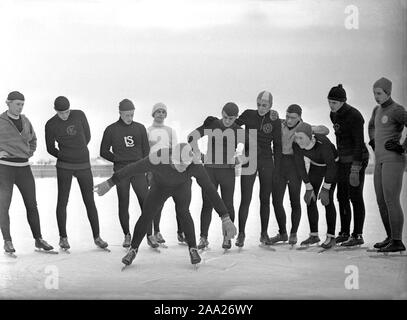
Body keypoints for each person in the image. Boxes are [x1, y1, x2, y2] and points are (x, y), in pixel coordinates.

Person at [94, 143, 237, 267]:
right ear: (171, 159)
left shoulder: (195, 165)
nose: (183, 168)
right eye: (179, 164)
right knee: (147, 215)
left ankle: (192, 248)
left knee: (183, 212)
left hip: (182, 187)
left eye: (185, 165)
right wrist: (110, 182)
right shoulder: (159, 157)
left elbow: (210, 190)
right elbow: (132, 168)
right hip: (160, 187)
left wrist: (225, 217)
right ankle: (133, 249)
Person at [45, 96, 108, 251]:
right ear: (56, 111)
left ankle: (97, 237)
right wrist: (64, 155)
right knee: (62, 201)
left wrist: (78, 151)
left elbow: (88, 136)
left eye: (67, 112)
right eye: (61, 113)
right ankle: (63, 238)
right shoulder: (51, 124)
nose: (65, 115)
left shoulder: (79, 115)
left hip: (83, 165)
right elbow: (50, 148)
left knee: (89, 201)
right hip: (64, 166)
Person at [0, 91, 54, 254]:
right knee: (3, 206)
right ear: (8, 103)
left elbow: (34, 140)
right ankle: (7, 241)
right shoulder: (0, 121)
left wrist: (28, 153)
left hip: (24, 168)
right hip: (5, 168)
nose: (20, 107)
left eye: (22, 104)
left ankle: (38, 239)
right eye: (17, 104)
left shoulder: (26, 121)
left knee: (32, 204)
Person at [270, 104, 330, 246]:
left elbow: (325, 130)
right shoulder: (280, 124)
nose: (289, 120)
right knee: (276, 201)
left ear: (299, 117)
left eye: (293, 118)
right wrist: (272, 115)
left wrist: (310, 128)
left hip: (294, 166)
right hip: (279, 166)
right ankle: (283, 232)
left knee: (294, 201)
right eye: (287, 116)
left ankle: (293, 234)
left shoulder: (303, 127)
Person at [188, 102, 245, 250]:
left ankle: (227, 237)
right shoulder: (213, 124)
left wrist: (239, 159)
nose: (227, 121)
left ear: (236, 118)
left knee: (228, 204)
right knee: (207, 204)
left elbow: (253, 148)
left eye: (231, 119)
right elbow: (192, 137)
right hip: (209, 171)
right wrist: (199, 154)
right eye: (225, 117)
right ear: (222, 113)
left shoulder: (238, 130)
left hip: (227, 171)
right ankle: (203, 237)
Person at [100, 99, 152, 248]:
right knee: (124, 203)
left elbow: (146, 151)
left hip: (138, 170)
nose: (130, 117)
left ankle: (149, 234)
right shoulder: (111, 129)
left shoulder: (140, 128)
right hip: (121, 171)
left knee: (146, 202)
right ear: (120, 113)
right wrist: (118, 159)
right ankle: (127, 235)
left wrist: (148, 170)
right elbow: (103, 151)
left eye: (132, 114)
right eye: (127, 115)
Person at [233, 90, 282, 247]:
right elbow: (232, 125)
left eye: (265, 105)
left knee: (265, 199)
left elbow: (278, 145)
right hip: (250, 159)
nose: (261, 108)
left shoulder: (274, 119)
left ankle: (264, 233)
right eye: (259, 105)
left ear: (271, 106)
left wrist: (278, 167)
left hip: (267, 161)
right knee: (245, 198)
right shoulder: (248, 114)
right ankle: (241, 234)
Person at [327, 84, 370, 247]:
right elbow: (339, 139)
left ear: (343, 102)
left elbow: (359, 143)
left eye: (335, 103)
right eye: (330, 102)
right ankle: (344, 232)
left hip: (358, 159)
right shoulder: (333, 115)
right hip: (343, 160)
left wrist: (355, 167)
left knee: (355, 195)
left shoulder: (355, 116)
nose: (332, 106)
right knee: (341, 196)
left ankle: (357, 234)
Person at [368, 77, 407, 253]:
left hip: (394, 160)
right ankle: (390, 237)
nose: (376, 97)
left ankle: (398, 241)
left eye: (379, 93)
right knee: (381, 202)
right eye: (374, 93)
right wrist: (373, 141)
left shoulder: (397, 110)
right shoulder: (377, 110)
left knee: (391, 200)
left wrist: (402, 146)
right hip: (379, 161)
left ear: (388, 92)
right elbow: (371, 126)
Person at [293, 122, 338, 249]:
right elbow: (300, 166)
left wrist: (326, 188)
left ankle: (331, 236)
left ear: (310, 136)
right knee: (310, 199)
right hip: (316, 167)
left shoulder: (322, 143)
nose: (298, 141)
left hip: (333, 166)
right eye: (296, 137)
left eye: (301, 138)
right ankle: (314, 235)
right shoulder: (296, 145)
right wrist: (308, 187)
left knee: (327, 200)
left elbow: (331, 167)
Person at [147, 102, 184, 245]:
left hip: (168, 169)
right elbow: (146, 151)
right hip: (153, 169)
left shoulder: (170, 131)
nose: (161, 114)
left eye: (163, 112)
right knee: (155, 202)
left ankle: (179, 232)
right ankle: (155, 231)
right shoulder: (148, 130)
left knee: (174, 202)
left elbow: (175, 150)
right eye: (158, 111)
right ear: (153, 113)